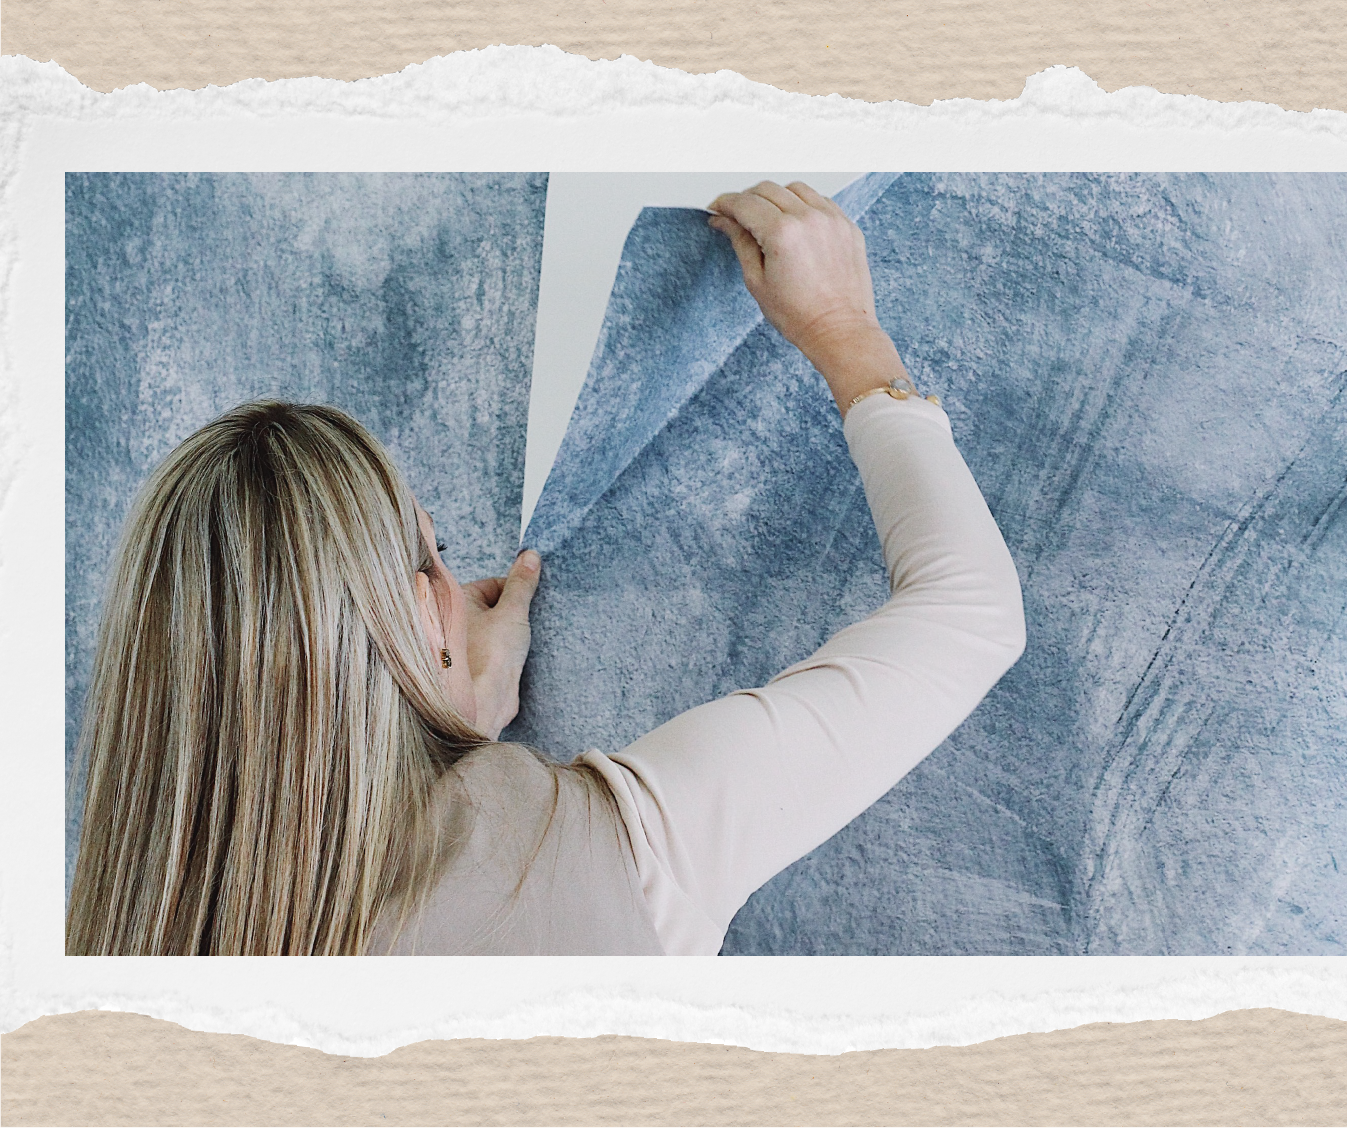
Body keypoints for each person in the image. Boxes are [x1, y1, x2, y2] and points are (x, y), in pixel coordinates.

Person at [65, 181, 1026, 956]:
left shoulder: (115, 951)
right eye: (434, 556)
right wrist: (845, 331)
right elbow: (968, 614)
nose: (455, 575)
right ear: (411, 615)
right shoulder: (588, 854)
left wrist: (443, 719)